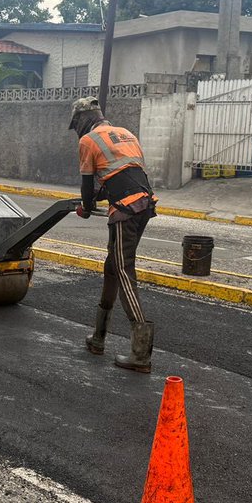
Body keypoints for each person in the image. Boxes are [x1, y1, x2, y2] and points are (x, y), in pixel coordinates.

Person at [70, 96, 157, 373]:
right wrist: (97, 197)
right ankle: (98, 338)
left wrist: (85, 207)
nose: (77, 130)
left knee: (123, 269)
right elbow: (123, 175)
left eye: (76, 124)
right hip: (144, 203)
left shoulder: (88, 141)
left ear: (83, 119)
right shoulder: (125, 134)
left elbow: (87, 187)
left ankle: (141, 353)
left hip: (124, 210)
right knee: (112, 267)